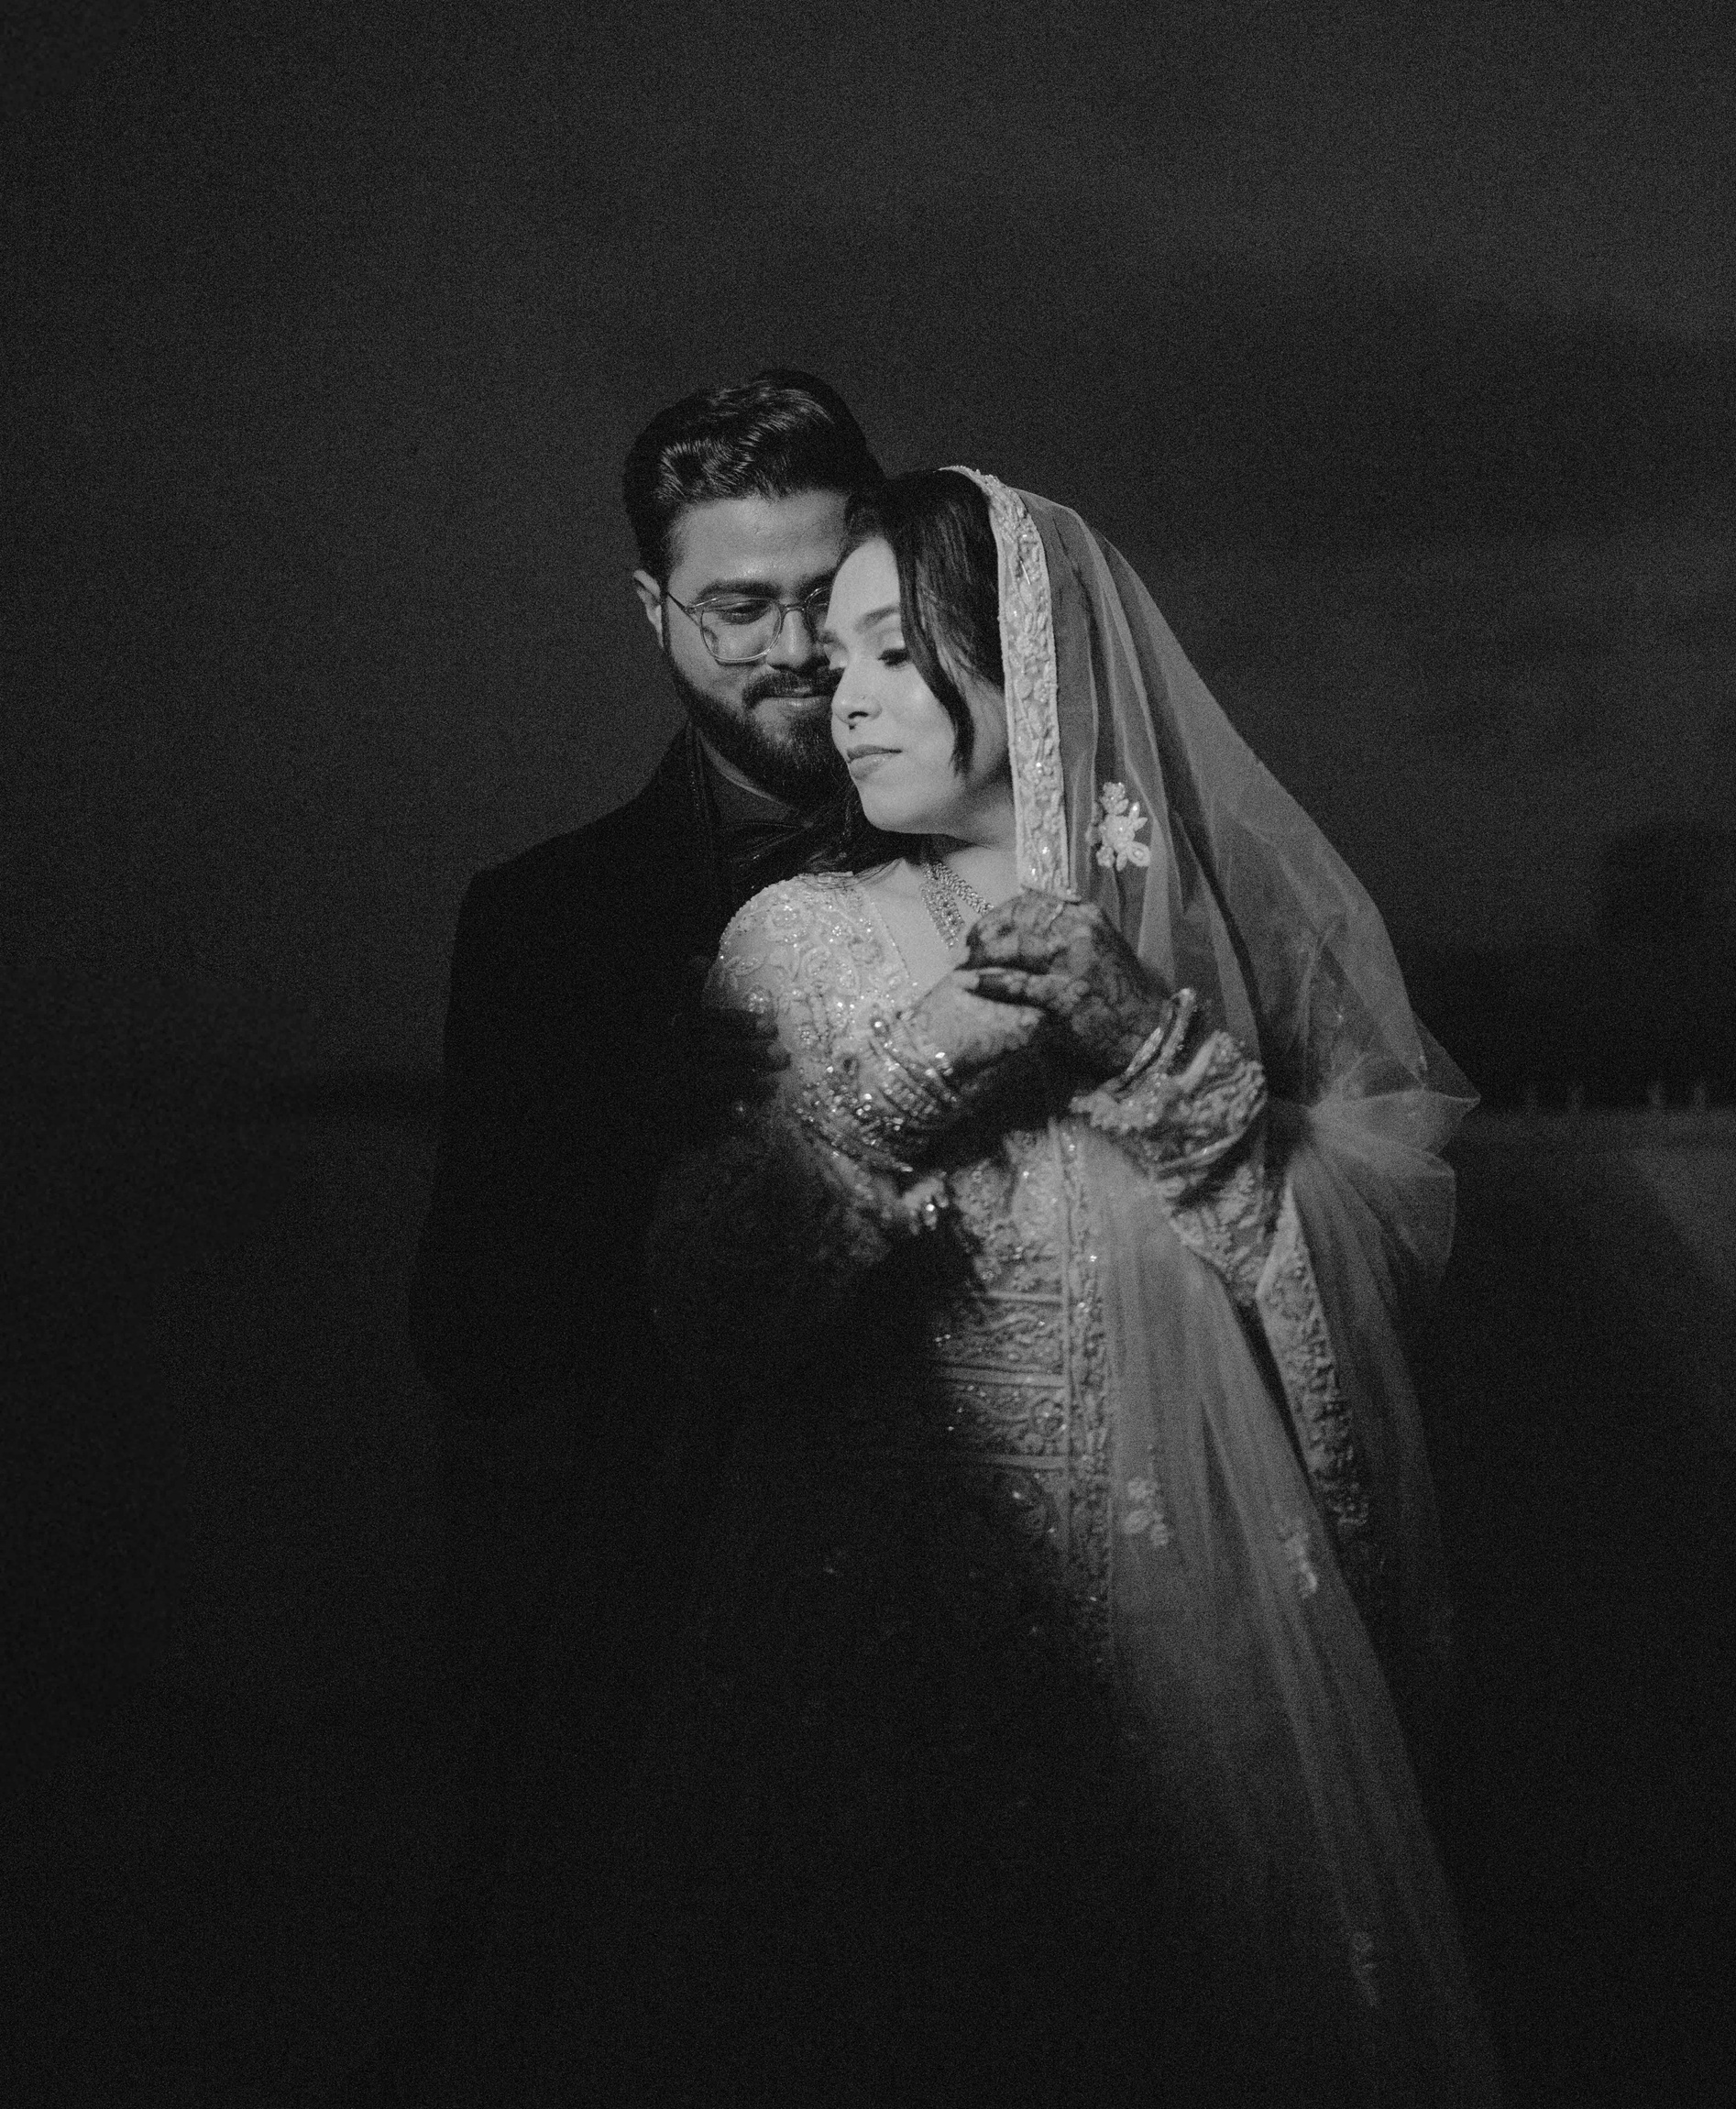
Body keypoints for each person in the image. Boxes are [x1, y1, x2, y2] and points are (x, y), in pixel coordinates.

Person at [551, 467, 1502, 2105]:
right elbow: (711, 1315)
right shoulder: (796, 938)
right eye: (835, 658)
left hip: (1175, 1629)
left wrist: (1147, 1045)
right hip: (864, 1633)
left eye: (894, 652)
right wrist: (923, 1062)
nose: (844, 698)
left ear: (1031, 666)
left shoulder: (1188, 953)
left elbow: (1328, 1276)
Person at [383, 371, 884, 2096]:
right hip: (658, 1623)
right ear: (653, 609)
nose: (796, 650)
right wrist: (634, 1128)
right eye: (740, 607)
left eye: (827, 593)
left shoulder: (1022, 862)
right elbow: (471, 1338)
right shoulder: (545, 923)